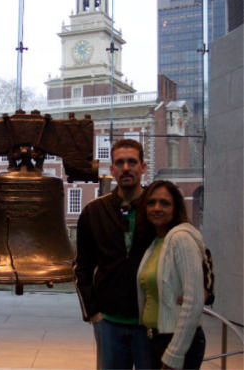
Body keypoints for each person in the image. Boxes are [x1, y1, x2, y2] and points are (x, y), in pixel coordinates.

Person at [74, 139, 155, 369]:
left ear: (143, 166)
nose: (126, 168)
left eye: (132, 162)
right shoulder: (94, 212)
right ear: (112, 169)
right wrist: (93, 312)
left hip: (150, 321)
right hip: (108, 322)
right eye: (120, 162)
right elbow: (82, 266)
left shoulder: (158, 207)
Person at [137, 180, 206, 369]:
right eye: (151, 203)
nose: (157, 208)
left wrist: (174, 353)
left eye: (165, 203)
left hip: (177, 341)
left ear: (176, 208)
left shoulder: (181, 239)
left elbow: (194, 301)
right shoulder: (156, 243)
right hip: (155, 338)